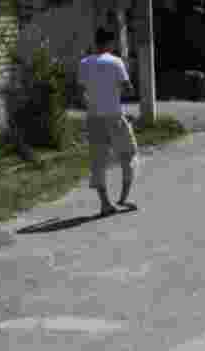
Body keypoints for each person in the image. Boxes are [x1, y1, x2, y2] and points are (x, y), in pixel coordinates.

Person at [78, 27, 139, 216]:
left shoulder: (84, 62)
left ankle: (105, 204)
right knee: (128, 154)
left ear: (96, 43)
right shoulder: (116, 62)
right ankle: (123, 197)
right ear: (110, 43)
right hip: (114, 115)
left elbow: (80, 92)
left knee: (98, 162)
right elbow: (129, 89)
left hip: (94, 117)